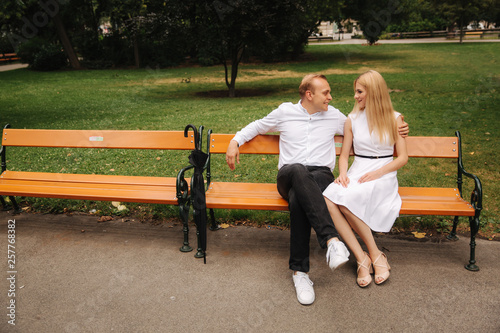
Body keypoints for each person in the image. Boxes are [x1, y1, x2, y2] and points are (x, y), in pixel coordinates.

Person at [225, 74, 409, 305]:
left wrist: (398, 126)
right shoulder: (284, 112)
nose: (331, 97)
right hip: (289, 175)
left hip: (320, 175)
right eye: (326, 93)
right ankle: (331, 240)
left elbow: (366, 125)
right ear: (309, 95)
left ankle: (300, 273)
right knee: (298, 171)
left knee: (298, 199)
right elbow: (257, 126)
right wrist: (235, 141)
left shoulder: (334, 116)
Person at [323, 70, 408, 288]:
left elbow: (403, 158)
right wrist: (343, 173)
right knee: (330, 198)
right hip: (358, 169)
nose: (356, 96)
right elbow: (344, 156)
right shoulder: (352, 119)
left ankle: (375, 255)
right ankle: (362, 256)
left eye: (360, 91)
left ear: (373, 91)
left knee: (347, 199)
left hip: (384, 172)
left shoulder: (395, 118)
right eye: (355, 92)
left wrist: (379, 173)